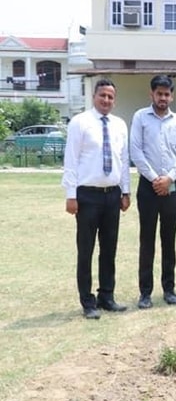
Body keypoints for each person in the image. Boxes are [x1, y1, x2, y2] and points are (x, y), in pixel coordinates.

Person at [62, 78, 131, 319]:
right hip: (87, 196)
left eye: (111, 97)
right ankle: (87, 302)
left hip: (112, 195)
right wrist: (71, 195)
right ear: (94, 96)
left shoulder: (120, 125)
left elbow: (123, 161)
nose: (106, 100)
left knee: (109, 249)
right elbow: (71, 160)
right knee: (86, 250)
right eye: (102, 95)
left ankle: (106, 296)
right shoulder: (80, 122)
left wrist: (125, 191)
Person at [129, 75, 176, 310]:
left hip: (172, 186)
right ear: (151, 94)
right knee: (147, 240)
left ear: (171, 96)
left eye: (167, 94)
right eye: (159, 94)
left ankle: (169, 289)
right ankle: (145, 292)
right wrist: (156, 179)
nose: (163, 98)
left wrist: (169, 178)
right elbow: (136, 151)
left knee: (169, 239)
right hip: (148, 187)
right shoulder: (140, 117)